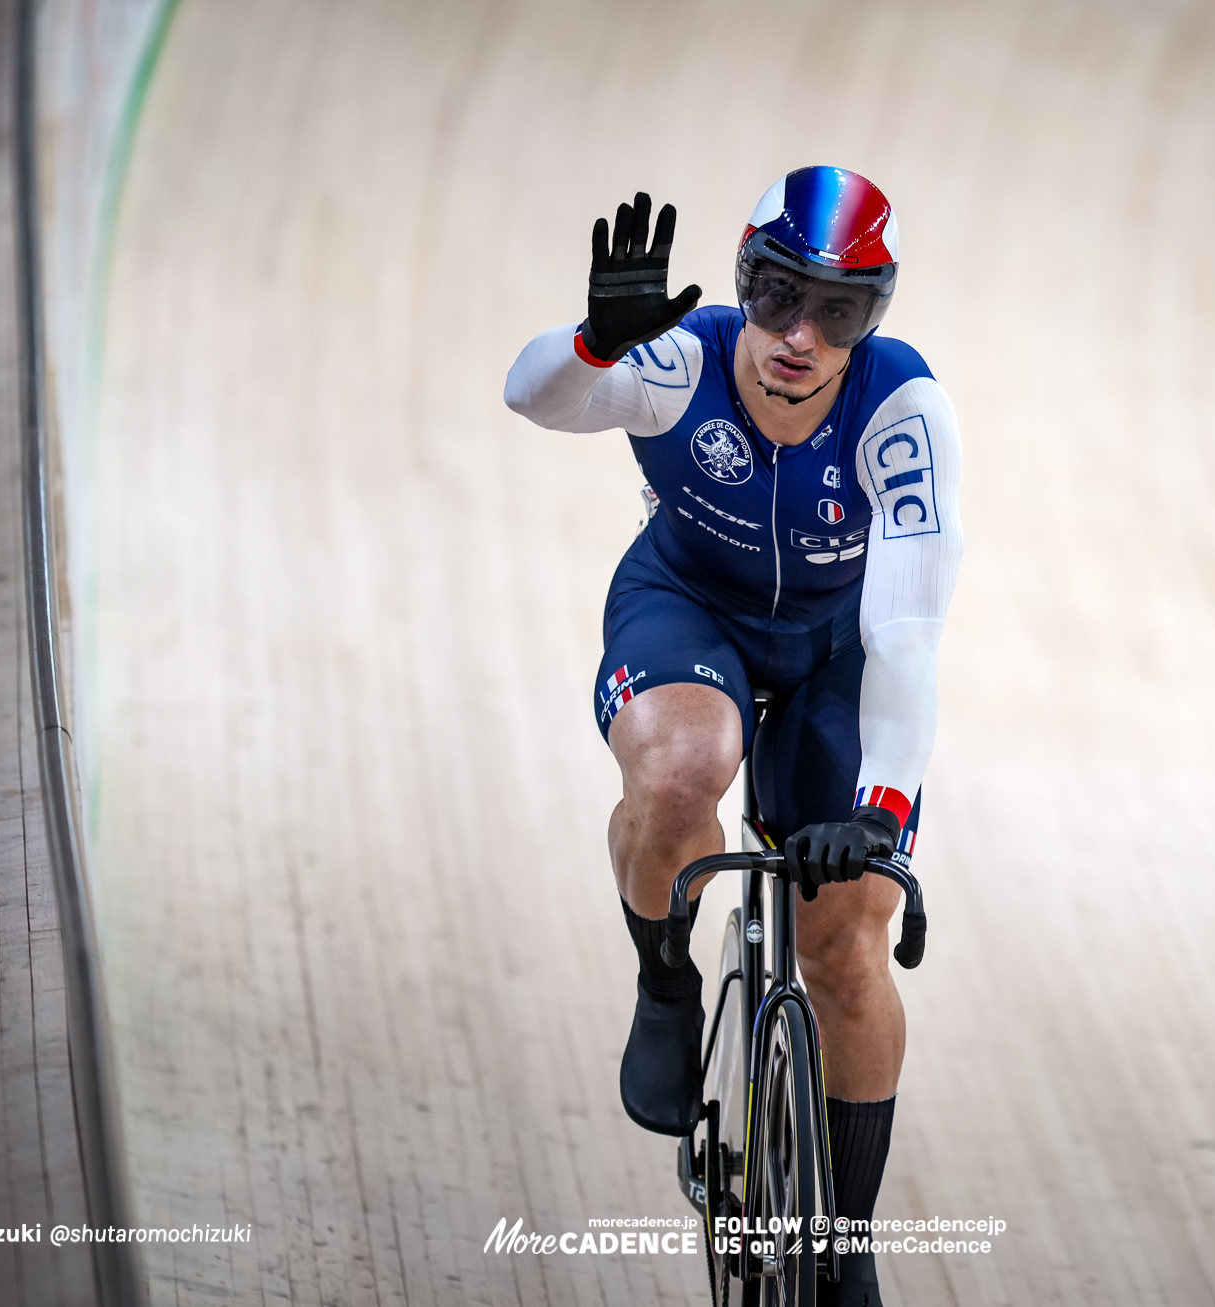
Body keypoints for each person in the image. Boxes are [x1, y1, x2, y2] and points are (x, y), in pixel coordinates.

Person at [504, 166, 963, 1306]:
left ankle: (844, 1231)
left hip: (834, 650)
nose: (798, 335)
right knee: (683, 772)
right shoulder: (683, 355)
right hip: (689, 610)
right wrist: (593, 344)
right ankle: (664, 980)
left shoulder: (902, 411)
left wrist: (881, 813)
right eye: (774, 295)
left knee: (847, 944)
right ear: (743, 283)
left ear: (872, 320)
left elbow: (905, 629)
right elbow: (532, 395)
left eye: (837, 312)